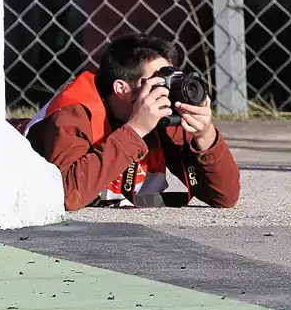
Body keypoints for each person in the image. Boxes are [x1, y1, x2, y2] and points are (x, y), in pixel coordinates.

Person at [21, 33, 240, 212]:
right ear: (121, 88)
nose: (168, 89)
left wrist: (205, 136)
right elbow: (66, 196)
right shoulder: (74, 114)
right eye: (159, 80)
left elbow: (225, 196)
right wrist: (135, 131)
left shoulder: (163, 111)